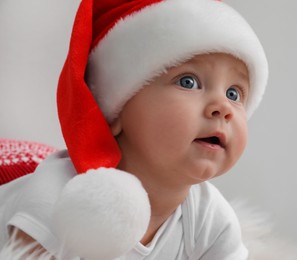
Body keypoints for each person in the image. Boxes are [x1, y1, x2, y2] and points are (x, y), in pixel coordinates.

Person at [0, 0, 268, 259]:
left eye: (234, 93)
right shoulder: (57, 197)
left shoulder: (210, 218)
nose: (223, 107)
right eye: (188, 81)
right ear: (116, 110)